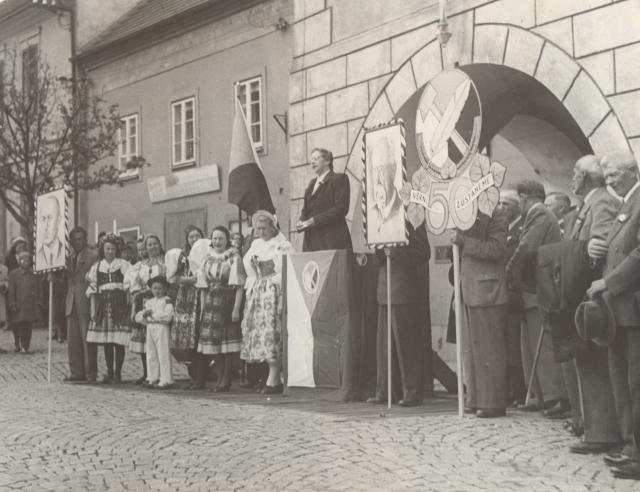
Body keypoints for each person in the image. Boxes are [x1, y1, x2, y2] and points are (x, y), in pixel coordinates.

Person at [562, 155, 622, 455]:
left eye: (576, 172)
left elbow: (601, 244)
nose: (572, 177)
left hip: (595, 296)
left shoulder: (601, 202)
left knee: (595, 365)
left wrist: (586, 250)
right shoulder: (589, 203)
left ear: (588, 177)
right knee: (586, 365)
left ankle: (602, 432)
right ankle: (593, 427)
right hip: (582, 292)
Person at [586, 151, 640, 480]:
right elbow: (613, 246)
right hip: (617, 310)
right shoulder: (624, 204)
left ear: (633, 171)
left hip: (632, 308)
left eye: (615, 172)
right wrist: (595, 250)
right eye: (606, 173)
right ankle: (631, 447)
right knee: (622, 382)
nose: (609, 178)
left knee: (636, 384)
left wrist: (609, 282)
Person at [506, 180, 565, 411]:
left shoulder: (539, 213)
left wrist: (508, 270)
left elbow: (526, 247)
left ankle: (553, 396)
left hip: (538, 288)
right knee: (530, 347)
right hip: (531, 290)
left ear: (525, 196)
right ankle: (539, 395)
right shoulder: (538, 214)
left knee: (542, 346)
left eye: (519, 199)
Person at [451, 206, 510, 418]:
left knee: (488, 349)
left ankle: (492, 401)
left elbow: (497, 249)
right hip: (470, 288)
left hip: (487, 288)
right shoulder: (465, 212)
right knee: (472, 350)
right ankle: (476, 397)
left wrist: (464, 241)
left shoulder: (497, 212)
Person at [367, 222, 430, 407]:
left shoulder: (413, 220)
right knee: (384, 346)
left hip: (403, 289)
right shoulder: (382, 221)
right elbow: (377, 258)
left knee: (406, 345)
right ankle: (385, 390)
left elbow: (424, 253)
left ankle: (412, 392)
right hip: (385, 288)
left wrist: (397, 254)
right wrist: (380, 251)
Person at [241, 210, 292, 394]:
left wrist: (272, 281)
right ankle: (272, 377)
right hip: (259, 291)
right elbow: (249, 268)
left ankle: (274, 377)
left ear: (273, 226)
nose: (261, 232)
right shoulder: (256, 244)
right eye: (258, 228)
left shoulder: (282, 245)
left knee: (272, 330)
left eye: (264, 228)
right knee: (260, 332)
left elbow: (286, 270)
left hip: (273, 291)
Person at [196, 226, 245, 392]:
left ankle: (226, 379)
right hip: (211, 303)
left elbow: (239, 286)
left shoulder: (233, 258)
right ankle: (219, 377)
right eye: (215, 238)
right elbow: (202, 287)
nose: (217, 242)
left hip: (227, 301)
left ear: (227, 240)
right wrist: (203, 310)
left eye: (221, 239)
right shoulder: (207, 259)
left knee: (226, 343)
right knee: (213, 343)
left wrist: (236, 309)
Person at [85, 234, 131, 384]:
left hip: (119, 304)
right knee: (107, 341)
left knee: (118, 340)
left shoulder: (123, 265)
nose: (109, 251)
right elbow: (93, 289)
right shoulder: (97, 267)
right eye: (107, 249)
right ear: (103, 250)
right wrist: (93, 310)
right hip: (103, 304)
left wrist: (129, 305)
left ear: (116, 250)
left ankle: (118, 373)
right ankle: (109, 372)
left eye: (112, 249)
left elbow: (129, 286)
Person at [499, 190, 527, 406]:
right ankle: (508, 389)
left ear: (518, 206)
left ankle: (519, 390)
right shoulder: (503, 230)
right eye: (499, 203)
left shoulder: (521, 228)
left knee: (516, 345)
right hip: (501, 294)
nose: (501, 207)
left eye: (506, 204)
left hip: (516, 294)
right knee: (506, 345)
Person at [127, 234, 166, 385]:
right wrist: (134, 309)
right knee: (145, 339)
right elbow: (135, 287)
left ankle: (162, 374)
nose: (152, 247)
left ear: (159, 245)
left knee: (159, 338)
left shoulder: (164, 263)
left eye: (155, 244)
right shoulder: (140, 265)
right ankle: (148, 372)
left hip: (159, 301)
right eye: (149, 245)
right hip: (144, 302)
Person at [168, 225, 204, 388]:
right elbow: (174, 275)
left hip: (198, 295)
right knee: (186, 339)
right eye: (191, 237)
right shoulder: (182, 255)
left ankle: (200, 377)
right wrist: (180, 280)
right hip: (184, 299)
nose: (194, 239)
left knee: (197, 336)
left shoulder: (205, 252)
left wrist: (192, 280)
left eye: (197, 236)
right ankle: (193, 376)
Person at [296, 147, 352, 252]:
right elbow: (305, 210)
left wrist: (314, 221)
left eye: (316, 158)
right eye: (311, 159)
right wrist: (301, 221)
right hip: (311, 243)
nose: (312, 162)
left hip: (331, 241)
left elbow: (341, 209)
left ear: (327, 161)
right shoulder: (311, 184)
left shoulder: (338, 179)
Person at [64, 227, 98, 382]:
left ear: (85, 239)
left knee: (87, 338)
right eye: (75, 239)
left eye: (81, 238)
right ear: (70, 241)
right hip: (71, 300)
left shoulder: (93, 256)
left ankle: (90, 372)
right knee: (73, 339)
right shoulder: (68, 257)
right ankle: (76, 372)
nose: (78, 242)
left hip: (85, 299)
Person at [135, 275, 174, 389]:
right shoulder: (149, 302)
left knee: (163, 352)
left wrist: (152, 315)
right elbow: (140, 316)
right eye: (154, 288)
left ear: (165, 289)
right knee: (151, 353)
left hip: (161, 327)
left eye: (160, 288)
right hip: (150, 327)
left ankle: (166, 379)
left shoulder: (167, 301)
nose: (157, 291)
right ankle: (152, 377)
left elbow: (167, 316)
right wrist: (144, 315)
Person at [368, 137, 404, 243]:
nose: (378, 178)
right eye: (375, 169)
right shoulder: (372, 213)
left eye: (381, 169)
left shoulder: (403, 209)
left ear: (394, 169)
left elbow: (422, 252)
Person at [8, 251, 41, 353]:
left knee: (28, 325)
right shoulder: (14, 274)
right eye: (23, 260)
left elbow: (38, 289)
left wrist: (39, 301)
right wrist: (12, 303)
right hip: (19, 304)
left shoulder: (34, 274)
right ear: (19, 261)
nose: (26, 262)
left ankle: (26, 345)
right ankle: (19, 344)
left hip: (29, 305)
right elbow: (12, 290)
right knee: (18, 325)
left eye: (28, 260)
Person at [35, 195, 65, 269]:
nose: (45, 226)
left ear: (58, 220)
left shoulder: (66, 253)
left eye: (50, 218)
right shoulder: (36, 258)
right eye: (43, 218)